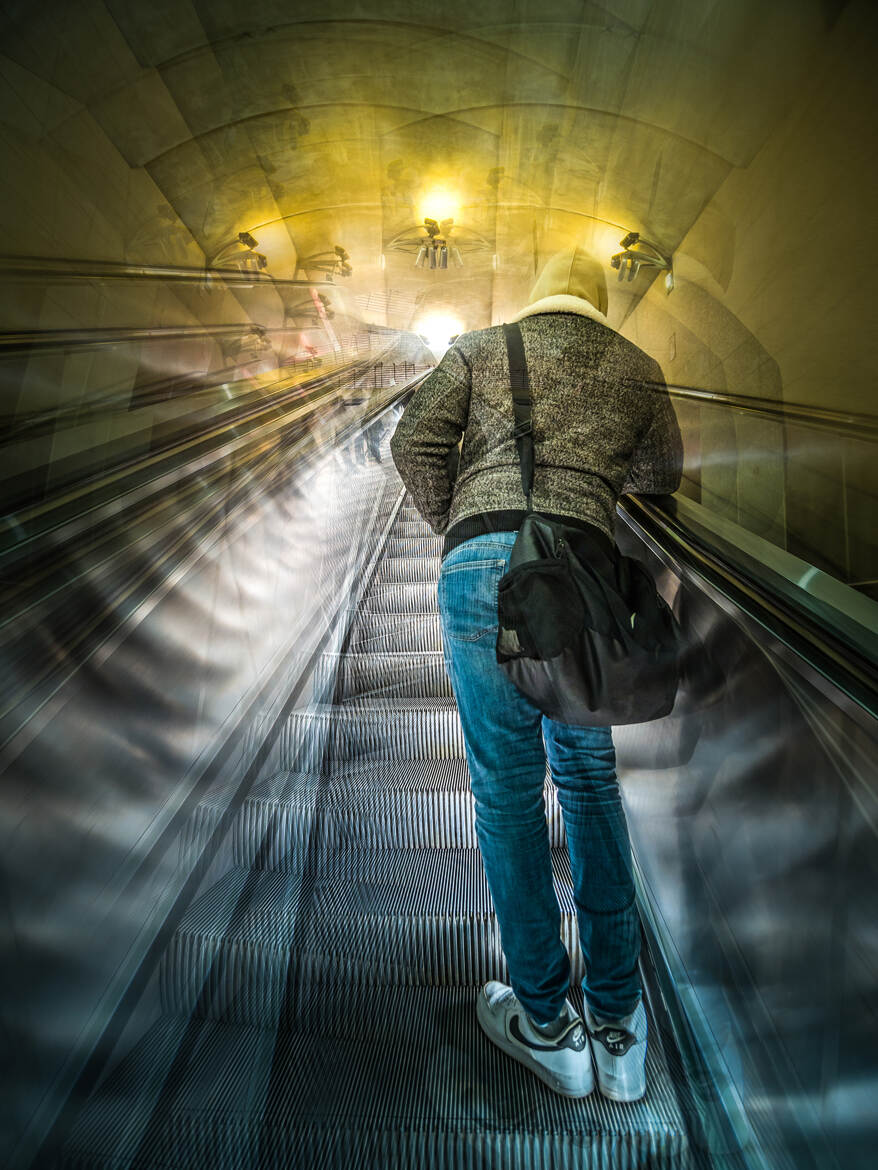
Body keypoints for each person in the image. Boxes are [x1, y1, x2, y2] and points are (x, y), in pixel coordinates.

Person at [390, 246, 683, 1101]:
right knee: (589, 785)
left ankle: (547, 1021)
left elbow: (415, 441)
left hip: (483, 562)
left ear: (539, 294)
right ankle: (620, 1029)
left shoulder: (483, 346)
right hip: (580, 576)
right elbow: (661, 480)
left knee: (507, 791)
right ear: (600, 302)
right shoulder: (639, 368)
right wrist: (583, 488)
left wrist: (469, 528)